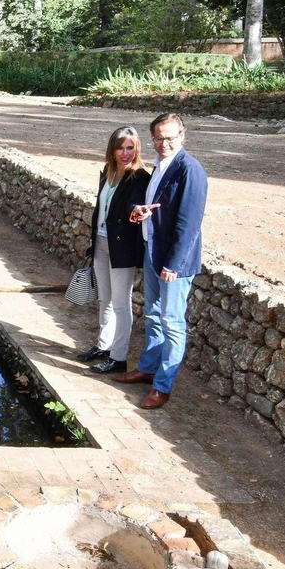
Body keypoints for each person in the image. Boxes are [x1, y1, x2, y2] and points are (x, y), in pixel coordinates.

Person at [117, 112, 207, 409]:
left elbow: (189, 223)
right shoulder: (159, 166)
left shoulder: (189, 170)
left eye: (170, 137)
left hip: (173, 263)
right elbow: (155, 206)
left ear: (183, 136)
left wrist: (174, 265)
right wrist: (139, 211)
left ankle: (162, 386)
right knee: (153, 315)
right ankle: (147, 369)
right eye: (158, 137)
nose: (164, 143)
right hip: (153, 252)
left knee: (171, 322)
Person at [75, 127, 151, 374]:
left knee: (120, 303)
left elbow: (134, 203)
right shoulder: (107, 172)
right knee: (104, 299)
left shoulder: (139, 176)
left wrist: (136, 210)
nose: (126, 153)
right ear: (113, 149)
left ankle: (118, 358)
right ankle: (103, 345)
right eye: (121, 147)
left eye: (130, 148)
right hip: (101, 243)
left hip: (122, 248)